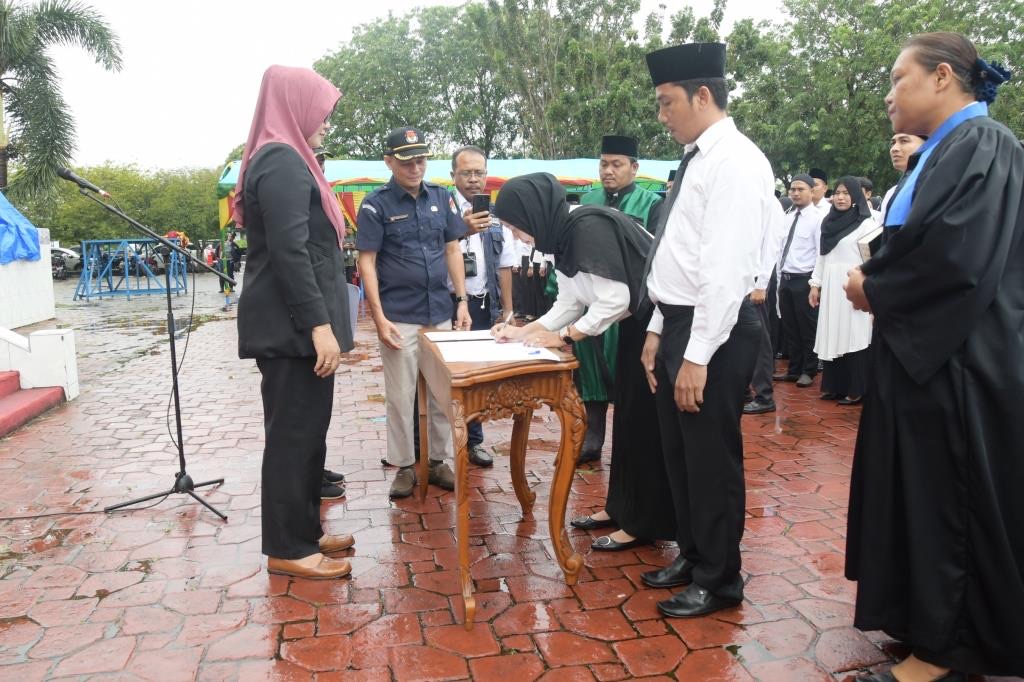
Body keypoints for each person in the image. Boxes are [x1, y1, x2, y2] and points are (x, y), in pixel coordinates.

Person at [844, 32, 1023, 681]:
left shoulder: (984, 143)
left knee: (950, 502)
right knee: (918, 494)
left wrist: (874, 288)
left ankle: (945, 654)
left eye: (899, 78)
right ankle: (922, 619)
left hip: (959, 365)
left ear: (943, 76)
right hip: (927, 355)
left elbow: (956, 259)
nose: (889, 96)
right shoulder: (943, 153)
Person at [638, 42, 774, 618]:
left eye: (668, 103)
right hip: (678, 322)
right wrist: (654, 328)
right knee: (681, 456)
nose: (662, 115)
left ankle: (721, 579)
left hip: (713, 332)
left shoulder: (735, 161)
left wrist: (696, 356)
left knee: (712, 460)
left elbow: (722, 273)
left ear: (702, 95)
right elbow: (676, 255)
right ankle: (693, 555)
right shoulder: (697, 158)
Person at [493, 173, 675, 552]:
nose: (515, 236)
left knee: (643, 426)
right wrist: (525, 332)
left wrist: (563, 337)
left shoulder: (586, 228)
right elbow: (571, 302)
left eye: (515, 226)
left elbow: (618, 300)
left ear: (533, 212)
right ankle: (621, 508)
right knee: (625, 422)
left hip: (656, 330)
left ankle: (643, 523)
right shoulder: (562, 237)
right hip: (634, 330)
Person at [233, 65, 354, 580]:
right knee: (292, 436)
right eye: (321, 111)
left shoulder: (287, 157)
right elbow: (289, 251)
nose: (325, 122)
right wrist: (318, 325)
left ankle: (305, 531)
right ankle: (287, 546)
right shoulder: (282, 160)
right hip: (292, 330)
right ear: (295, 105)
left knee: (309, 434)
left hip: (296, 327)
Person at [356, 127, 471, 500]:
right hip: (399, 314)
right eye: (407, 160)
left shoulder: (442, 197)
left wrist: (462, 300)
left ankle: (438, 461)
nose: (416, 166)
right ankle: (405, 465)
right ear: (389, 162)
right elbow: (367, 262)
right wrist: (378, 315)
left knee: (442, 392)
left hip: (439, 310)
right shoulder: (376, 204)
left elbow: (452, 249)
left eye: (421, 159)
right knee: (400, 395)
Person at [574, 135, 665, 465]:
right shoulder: (588, 199)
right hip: (591, 300)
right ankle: (593, 435)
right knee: (590, 369)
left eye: (617, 164)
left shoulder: (652, 204)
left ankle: (629, 444)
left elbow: (654, 257)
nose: (608, 171)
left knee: (627, 374)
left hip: (631, 308)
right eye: (603, 164)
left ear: (634, 167)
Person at [447, 145, 517, 468]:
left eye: (479, 173)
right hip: (447, 304)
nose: (474, 179)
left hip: (483, 306)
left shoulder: (496, 217)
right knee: (444, 375)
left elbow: (505, 265)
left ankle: (473, 442)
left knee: (475, 377)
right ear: (453, 176)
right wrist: (461, 227)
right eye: (466, 173)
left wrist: (508, 310)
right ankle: (434, 447)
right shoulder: (442, 210)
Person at [808, 177, 873, 404]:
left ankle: (856, 389)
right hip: (831, 286)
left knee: (854, 334)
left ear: (855, 197)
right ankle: (835, 386)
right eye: (837, 193)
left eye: (846, 193)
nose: (841, 197)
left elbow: (872, 256)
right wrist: (815, 284)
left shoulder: (867, 223)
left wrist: (866, 285)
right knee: (833, 332)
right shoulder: (828, 223)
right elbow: (822, 256)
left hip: (853, 284)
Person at [773, 174, 824, 387]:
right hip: (785, 279)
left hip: (804, 280)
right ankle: (794, 369)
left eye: (800, 189)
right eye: (792, 189)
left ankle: (809, 370)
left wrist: (816, 283)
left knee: (807, 328)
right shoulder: (787, 217)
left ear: (812, 192)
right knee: (790, 327)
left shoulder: (818, 219)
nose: (795, 193)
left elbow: (821, 253)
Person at [880, 132, 927, 217]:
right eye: (893, 143)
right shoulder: (891, 193)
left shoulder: (937, 185)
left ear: (927, 145)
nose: (894, 148)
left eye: (904, 141)